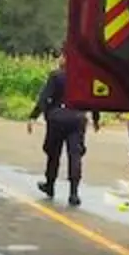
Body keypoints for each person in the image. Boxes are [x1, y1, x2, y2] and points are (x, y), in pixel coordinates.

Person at [28, 53, 100, 207]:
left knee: (53, 153)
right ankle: (73, 193)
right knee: (75, 155)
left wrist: (34, 116)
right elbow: (92, 99)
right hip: (78, 118)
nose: (60, 59)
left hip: (57, 118)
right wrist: (95, 118)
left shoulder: (56, 76)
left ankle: (50, 184)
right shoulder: (84, 76)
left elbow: (44, 98)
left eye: (62, 56)